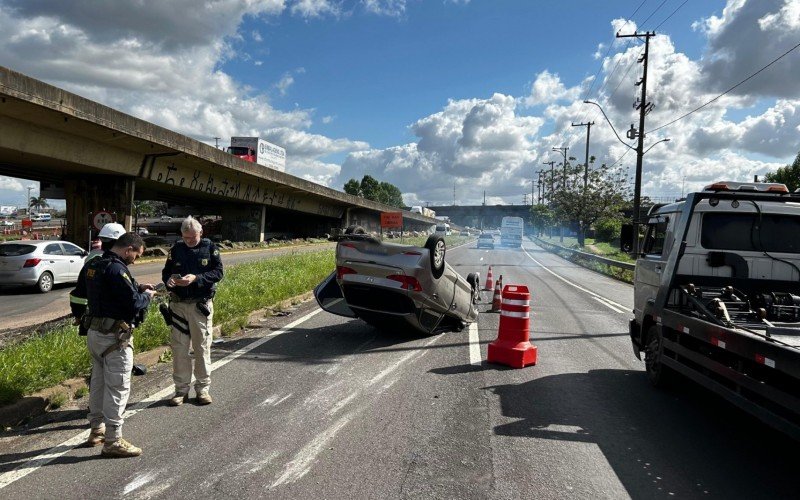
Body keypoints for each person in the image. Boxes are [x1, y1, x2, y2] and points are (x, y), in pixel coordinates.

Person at [84, 232, 156, 457]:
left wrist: (136, 285)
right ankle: (113, 440)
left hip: (95, 334)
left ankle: (97, 430)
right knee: (118, 386)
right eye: (136, 255)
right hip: (114, 338)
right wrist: (148, 296)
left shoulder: (95, 264)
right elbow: (133, 302)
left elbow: (109, 292)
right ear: (128, 249)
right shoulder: (117, 269)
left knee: (98, 383)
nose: (135, 260)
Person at [162, 216, 223, 406]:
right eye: (185, 237)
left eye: (192, 238)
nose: (189, 241)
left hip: (200, 305)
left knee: (201, 348)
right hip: (178, 305)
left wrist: (196, 278)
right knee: (179, 349)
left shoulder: (210, 248)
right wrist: (169, 281)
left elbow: (218, 273)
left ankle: (203, 389)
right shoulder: (176, 249)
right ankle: (181, 390)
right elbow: (166, 272)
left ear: (201, 233)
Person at [70, 223, 127, 334]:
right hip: (106, 322)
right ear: (120, 242)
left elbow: (79, 291)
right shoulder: (111, 263)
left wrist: (78, 314)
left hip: (90, 318)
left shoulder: (93, 258)